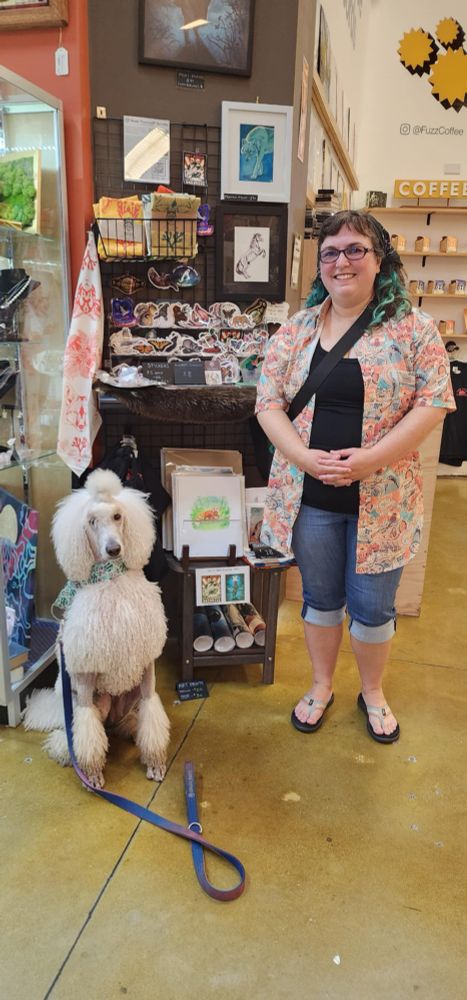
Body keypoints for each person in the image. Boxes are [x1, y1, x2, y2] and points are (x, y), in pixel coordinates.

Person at [255, 210, 455, 743]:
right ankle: (321, 685)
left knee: (372, 607)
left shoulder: (414, 329)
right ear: (319, 264)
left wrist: (370, 460)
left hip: (383, 498)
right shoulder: (296, 330)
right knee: (319, 599)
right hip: (310, 496)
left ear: (379, 258)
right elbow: (268, 402)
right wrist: (301, 456)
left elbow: (434, 403)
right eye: (330, 252)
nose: (341, 261)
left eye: (354, 250)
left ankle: (372, 691)